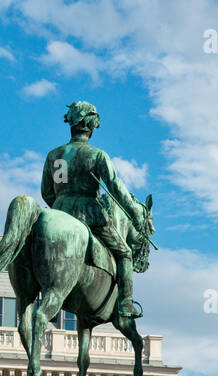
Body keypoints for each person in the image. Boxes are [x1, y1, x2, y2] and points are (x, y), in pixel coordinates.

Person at [40, 101, 146, 321]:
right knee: (125, 253)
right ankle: (125, 304)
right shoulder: (97, 155)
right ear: (90, 125)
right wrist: (135, 213)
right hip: (89, 212)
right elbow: (116, 188)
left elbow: (46, 192)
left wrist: (61, 207)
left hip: (59, 211)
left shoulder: (54, 156)